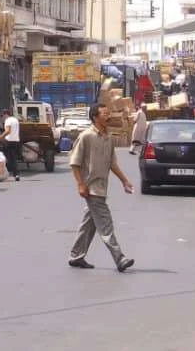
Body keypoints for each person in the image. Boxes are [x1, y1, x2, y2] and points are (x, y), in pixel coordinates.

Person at [68, 104, 135, 273]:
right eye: (105, 114)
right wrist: (80, 184)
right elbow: (74, 163)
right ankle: (120, 258)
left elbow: (112, 164)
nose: (109, 116)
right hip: (91, 189)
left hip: (102, 187)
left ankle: (76, 256)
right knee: (106, 224)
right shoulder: (86, 136)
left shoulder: (108, 137)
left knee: (88, 224)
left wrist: (124, 181)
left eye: (109, 113)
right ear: (95, 117)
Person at [0, 109, 21, 182]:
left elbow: (8, 131)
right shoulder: (15, 120)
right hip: (16, 141)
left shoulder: (8, 120)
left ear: (6, 114)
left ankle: (1, 173)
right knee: (13, 158)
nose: (3, 118)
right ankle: (16, 175)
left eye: (3, 116)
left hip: (8, 141)